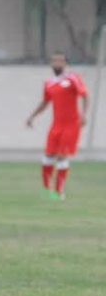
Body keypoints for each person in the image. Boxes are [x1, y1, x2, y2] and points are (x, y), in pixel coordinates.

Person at [26, 52, 88, 200]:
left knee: (61, 156)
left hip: (71, 124)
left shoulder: (73, 78)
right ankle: (47, 191)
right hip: (56, 125)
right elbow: (45, 102)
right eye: (54, 60)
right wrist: (32, 117)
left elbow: (85, 95)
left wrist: (84, 114)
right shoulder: (49, 82)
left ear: (65, 63)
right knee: (48, 156)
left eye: (60, 60)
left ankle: (60, 191)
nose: (57, 63)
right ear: (51, 63)